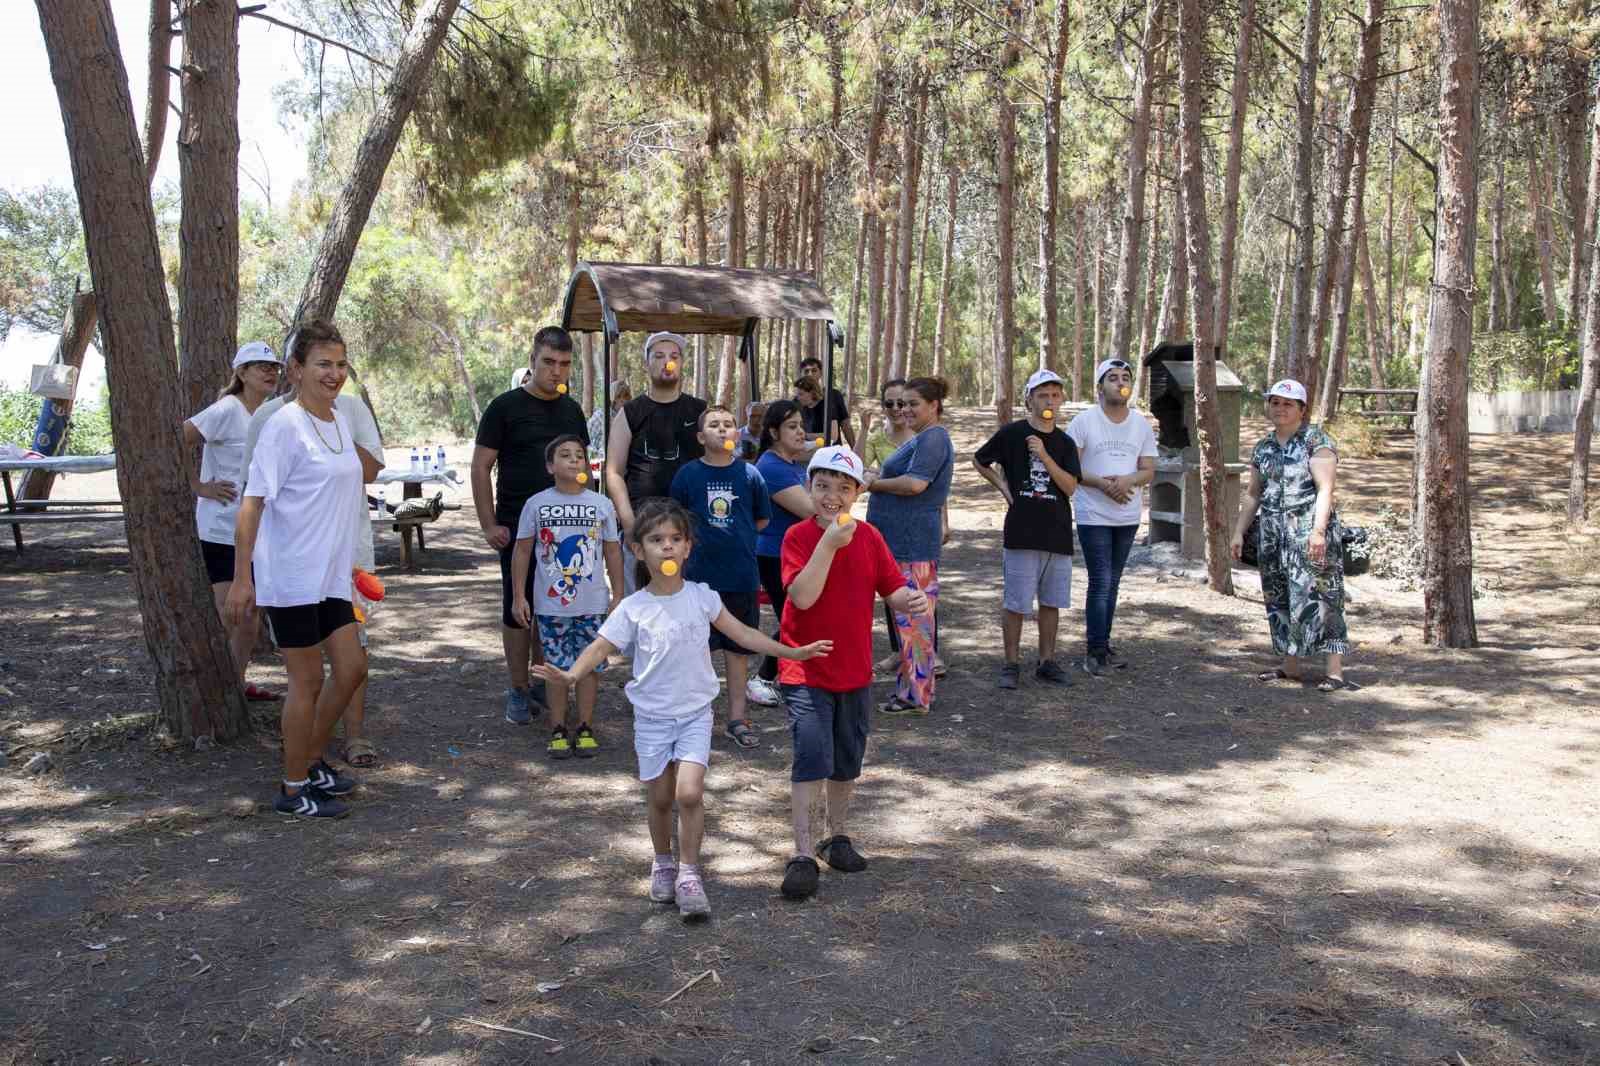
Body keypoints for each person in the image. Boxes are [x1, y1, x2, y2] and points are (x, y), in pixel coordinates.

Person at [534, 498, 830, 920]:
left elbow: (743, 633)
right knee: (659, 797)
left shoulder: (702, 598)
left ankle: (690, 874)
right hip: (652, 717)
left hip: (694, 714)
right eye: (656, 540)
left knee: (688, 793)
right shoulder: (634, 608)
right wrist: (570, 675)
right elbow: (600, 645)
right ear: (639, 550)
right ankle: (663, 862)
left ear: (688, 548)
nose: (667, 547)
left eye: (675, 539)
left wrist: (790, 652)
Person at [228, 320, 379, 817]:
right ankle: (293, 789)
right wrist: (243, 579)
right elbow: (251, 505)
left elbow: (361, 474)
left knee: (353, 667)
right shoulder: (282, 426)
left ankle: (310, 759)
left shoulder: (337, 420)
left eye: (340, 364)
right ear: (296, 370)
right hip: (291, 577)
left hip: (332, 576)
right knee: (307, 680)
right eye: (323, 365)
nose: (334, 373)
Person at [776, 446, 929, 901]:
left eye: (844, 488)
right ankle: (802, 853)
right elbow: (802, 597)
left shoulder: (869, 537)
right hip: (804, 668)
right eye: (822, 486)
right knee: (810, 756)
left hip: (854, 670)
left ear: (857, 493)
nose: (832, 497)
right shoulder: (800, 538)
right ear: (809, 488)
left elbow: (891, 587)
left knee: (846, 760)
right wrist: (828, 543)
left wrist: (909, 599)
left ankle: (835, 836)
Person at [473, 326, 589, 728]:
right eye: (548, 362)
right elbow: (481, 466)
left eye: (564, 364)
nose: (556, 371)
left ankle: (543, 679)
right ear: (533, 359)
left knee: (554, 608)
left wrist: (587, 514)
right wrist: (489, 524)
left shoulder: (571, 410)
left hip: (566, 531)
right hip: (517, 530)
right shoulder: (504, 407)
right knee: (518, 608)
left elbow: (579, 468)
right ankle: (518, 688)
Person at [1232, 379, 1353, 692]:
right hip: (1273, 535)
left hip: (1309, 532)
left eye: (1287, 404)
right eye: (1275, 402)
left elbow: (1326, 489)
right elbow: (1253, 494)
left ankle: (1335, 671)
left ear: (1301, 409)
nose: (1280, 409)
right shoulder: (1264, 447)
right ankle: (1290, 665)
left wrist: (1318, 531)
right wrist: (1238, 532)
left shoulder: (1316, 441)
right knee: (1279, 596)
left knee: (1325, 599)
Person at [511, 435, 624, 759]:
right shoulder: (536, 503)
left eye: (579, 455)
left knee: (589, 667)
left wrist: (618, 595)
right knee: (555, 666)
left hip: (593, 603)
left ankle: (585, 726)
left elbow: (613, 552)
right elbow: (522, 551)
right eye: (565, 455)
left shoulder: (601, 504)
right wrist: (519, 596)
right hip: (551, 605)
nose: (574, 460)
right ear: (550, 466)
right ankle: (558, 727)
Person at [182, 341, 283, 703]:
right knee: (230, 614)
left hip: (259, 531)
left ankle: (236, 686)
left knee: (252, 614)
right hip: (222, 530)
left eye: (275, 367)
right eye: (261, 367)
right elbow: (176, 439)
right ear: (241, 373)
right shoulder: (226, 409)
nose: (271, 373)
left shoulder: (273, 413)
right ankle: (212, 692)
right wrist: (199, 487)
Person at [670, 405, 774, 747]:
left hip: (741, 578)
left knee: (738, 651)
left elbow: (760, 520)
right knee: (695, 651)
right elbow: (676, 524)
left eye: (728, 424)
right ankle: (691, 717)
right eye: (713, 425)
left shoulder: (750, 475)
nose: (722, 429)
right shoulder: (687, 475)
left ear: (737, 433)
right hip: (698, 580)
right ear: (701, 437)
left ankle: (737, 718)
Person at [974, 369, 1082, 689]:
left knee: (1051, 602)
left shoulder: (1064, 442)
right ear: (1030, 399)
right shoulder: (1011, 434)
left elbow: (1070, 487)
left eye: (1055, 395)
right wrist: (1003, 488)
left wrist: (1045, 455)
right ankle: (1011, 664)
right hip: (1022, 531)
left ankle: (1046, 661)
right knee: (1016, 602)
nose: (1049, 401)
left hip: (1057, 532)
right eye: (1042, 395)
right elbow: (979, 460)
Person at [863, 377, 955, 715]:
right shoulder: (924, 438)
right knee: (908, 620)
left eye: (914, 403)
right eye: (902, 404)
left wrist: (875, 485)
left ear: (934, 406)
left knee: (915, 619)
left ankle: (917, 694)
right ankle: (910, 688)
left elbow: (916, 484)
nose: (906, 410)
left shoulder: (934, 438)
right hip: (899, 540)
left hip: (913, 542)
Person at [1066, 358, 1157, 676]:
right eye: (1113, 377)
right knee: (1101, 581)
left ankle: (1103, 644)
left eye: (1126, 377)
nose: (1120, 382)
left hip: (1127, 514)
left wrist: (1127, 481)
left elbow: (1148, 469)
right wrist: (1105, 485)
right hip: (1094, 513)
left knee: (1114, 582)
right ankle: (1094, 651)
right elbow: (1071, 468)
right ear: (1099, 387)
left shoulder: (1140, 424)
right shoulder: (1083, 422)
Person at [605, 331, 707, 593]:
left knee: (688, 605)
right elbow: (614, 471)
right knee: (639, 606)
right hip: (643, 525)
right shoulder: (631, 412)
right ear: (647, 363)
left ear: (682, 363)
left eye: (674, 356)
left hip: (689, 528)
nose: (667, 362)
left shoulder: (700, 411)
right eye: (659, 356)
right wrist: (629, 524)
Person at [752, 399, 815, 699]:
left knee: (798, 617)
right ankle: (763, 678)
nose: (800, 432)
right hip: (775, 555)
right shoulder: (771, 466)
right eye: (792, 427)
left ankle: (775, 675)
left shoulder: (789, 464)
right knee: (795, 619)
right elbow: (811, 511)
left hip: (791, 555)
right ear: (774, 432)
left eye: (801, 425)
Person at [797, 354, 855, 448]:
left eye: (814, 370)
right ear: (801, 374)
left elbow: (845, 425)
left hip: (832, 452)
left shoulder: (833, 395)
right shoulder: (796, 402)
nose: (810, 374)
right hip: (806, 453)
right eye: (806, 371)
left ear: (820, 373)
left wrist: (855, 451)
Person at [587, 381, 633, 465]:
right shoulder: (600, 416)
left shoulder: (630, 418)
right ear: (612, 398)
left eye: (627, 396)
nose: (624, 400)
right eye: (619, 396)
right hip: (602, 464)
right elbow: (588, 444)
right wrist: (599, 457)